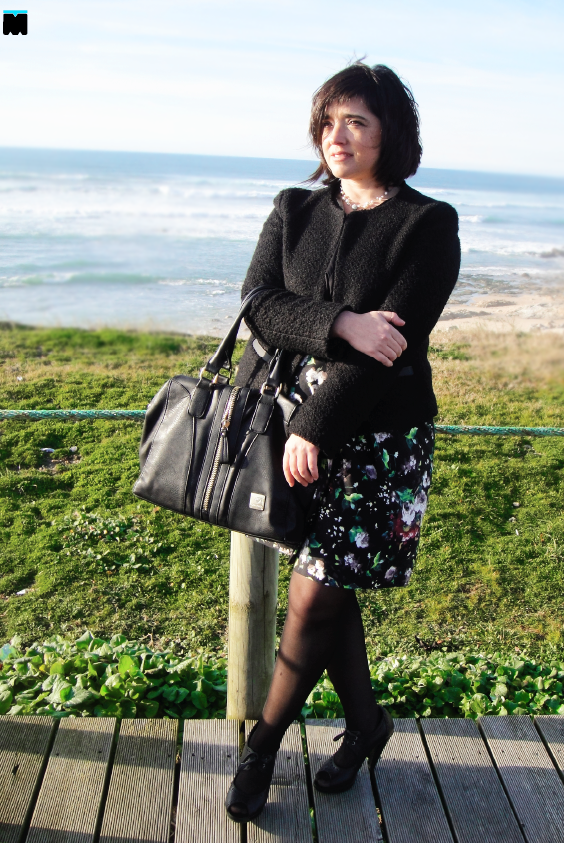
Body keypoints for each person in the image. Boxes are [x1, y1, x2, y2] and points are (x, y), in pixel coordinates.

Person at [225, 61, 460, 822]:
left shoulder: (427, 224)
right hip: (291, 430)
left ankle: (262, 745)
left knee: (315, 591)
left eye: (356, 120)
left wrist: (315, 425)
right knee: (329, 586)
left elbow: (391, 347)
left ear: (391, 131)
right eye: (328, 121)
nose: (338, 136)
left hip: (375, 440)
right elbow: (259, 303)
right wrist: (340, 323)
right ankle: (366, 724)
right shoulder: (293, 208)